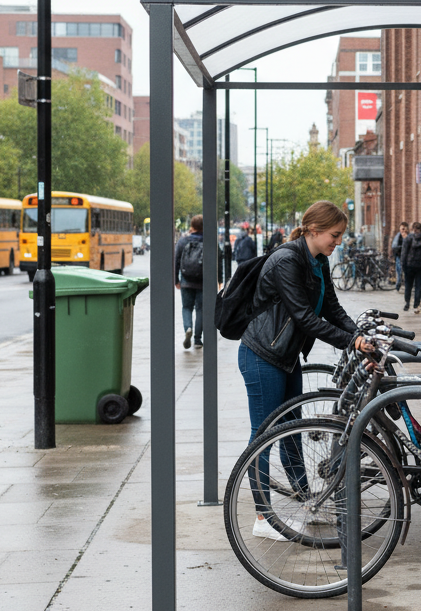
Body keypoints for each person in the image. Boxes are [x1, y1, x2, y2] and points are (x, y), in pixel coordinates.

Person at [238, 200, 372, 539]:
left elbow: (331, 307)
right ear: (313, 230)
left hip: (285, 356)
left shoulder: (318, 260)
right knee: (264, 437)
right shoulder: (286, 260)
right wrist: (350, 342)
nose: (338, 241)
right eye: (334, 235)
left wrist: (356, 334)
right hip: (262, 356)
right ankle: (263, 519)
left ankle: (305, 504)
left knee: (292, 431)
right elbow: (305, 318)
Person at [174, 214, 205, 349]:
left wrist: (176, 279)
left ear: (192, 226)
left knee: (186, 307)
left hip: (186, 280)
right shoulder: (208, 240)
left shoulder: (183, 241)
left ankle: (188, 328)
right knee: (200, 309)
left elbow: (176, 261)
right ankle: (198, 340)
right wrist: (219, 280)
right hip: (203, 281)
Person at [401, 221, 421, 312]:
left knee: (408, 285)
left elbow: (404, 253)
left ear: (412, 229)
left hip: (409, 266)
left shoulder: (408, 239)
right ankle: (416, 305)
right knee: (418, 286)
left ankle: (407, 303)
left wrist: (403, 265)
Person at [390, 221, 408, 291]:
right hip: (399, 256)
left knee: (406, 272)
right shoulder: (398, 236)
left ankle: (407, 286)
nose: (403, 230)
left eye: (404, 229)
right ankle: (398, 284)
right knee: (399, 271)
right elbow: (394, 246)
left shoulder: (408, 236)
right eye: (402, 229)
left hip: (407, 257)